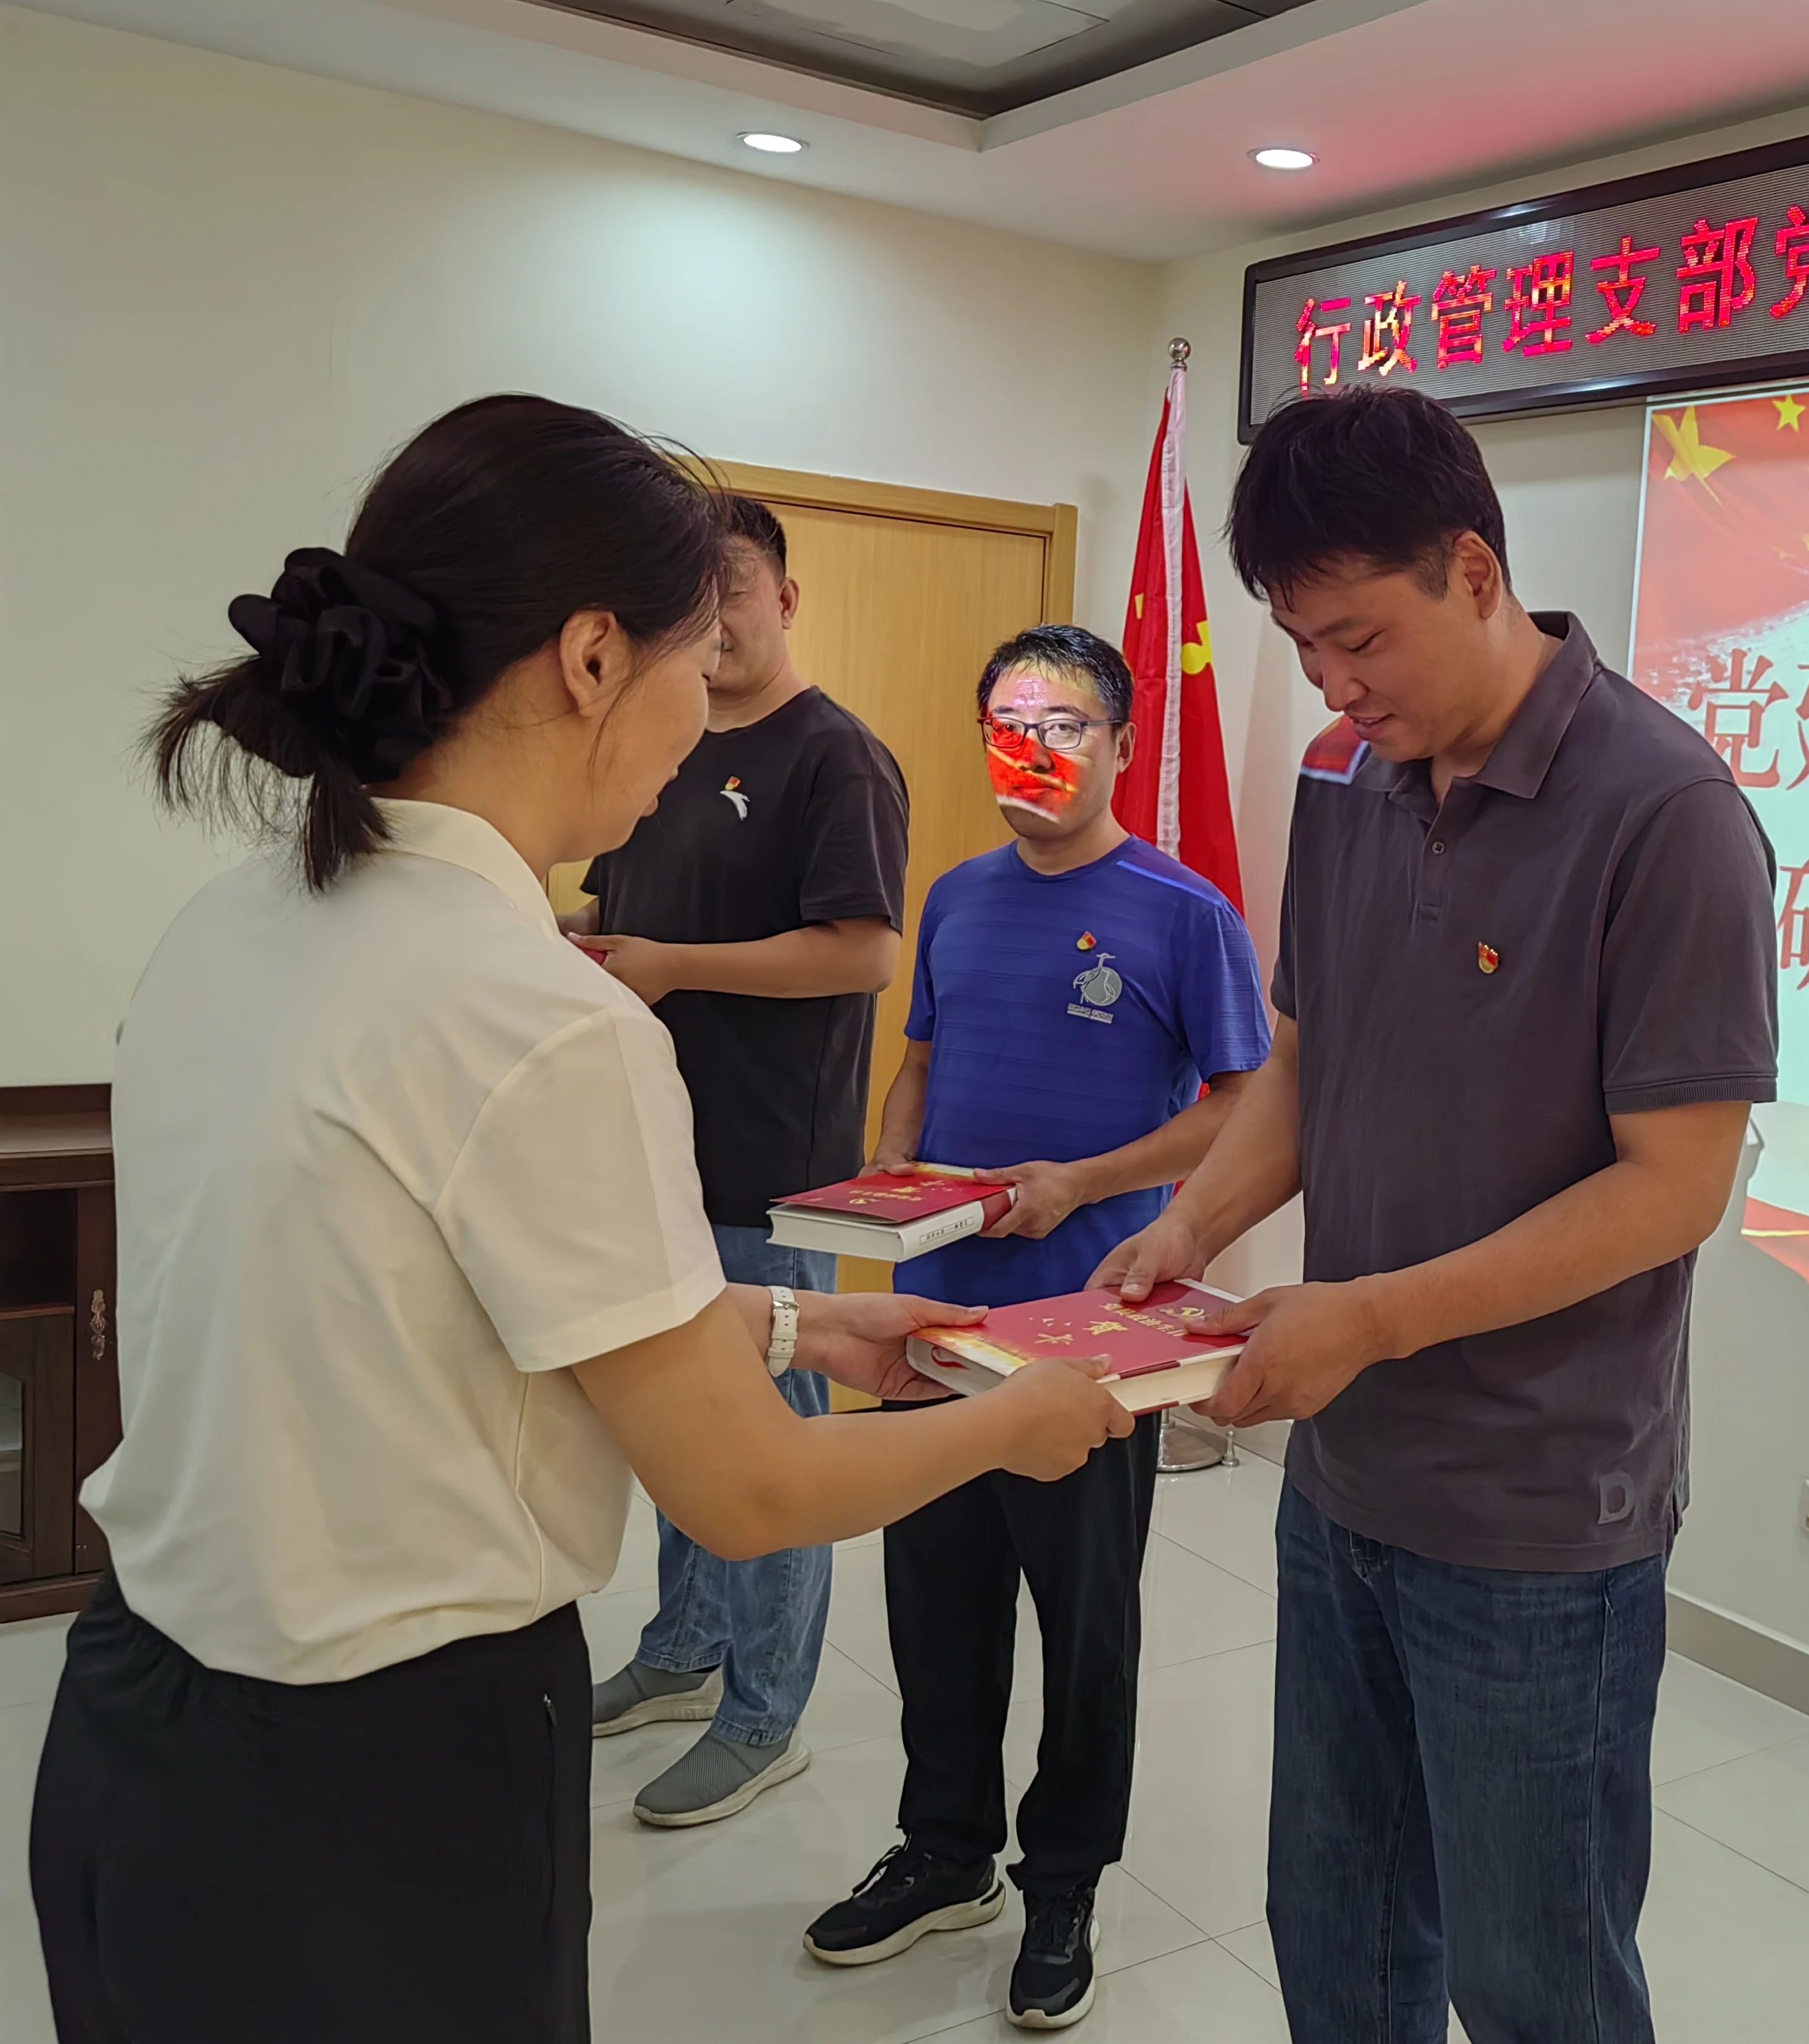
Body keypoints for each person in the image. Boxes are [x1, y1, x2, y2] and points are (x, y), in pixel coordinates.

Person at [30, 396, 1132, 2044]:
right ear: (595, 657)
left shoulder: (234, 922)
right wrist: (1017, 1423)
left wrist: (796, 1322)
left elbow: (409, 1298)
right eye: (697, 653)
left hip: (132, 1729)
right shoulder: (537, 1012)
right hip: (378, 1787)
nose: (707, 706)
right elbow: (747, 1492)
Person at [1096, 386, 1778, 2043]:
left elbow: (1674, 1186)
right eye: (1302, 648)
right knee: (1338, 1928)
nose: (1334, 686)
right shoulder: (1347, 776)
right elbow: (1303, 1061)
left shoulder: (1665, 814)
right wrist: (1191, 1228)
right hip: (1344, 1479)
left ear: (1474, 571)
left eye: (1358, 640)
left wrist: (1377, 1317)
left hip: (1538, 1513)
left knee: (1534, 1977)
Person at [802, 624, 1271, 2029]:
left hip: (1090, 1338)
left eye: (1066, 725)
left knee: (1085, 1627)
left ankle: (1062, 1882)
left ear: (1120, 743)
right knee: (935, 1609)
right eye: (1013, 725)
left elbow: (1239, 1111)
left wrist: (1082, 1183)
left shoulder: (1183, 911)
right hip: (936, 1329)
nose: (1039, 750)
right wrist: (893, 1176)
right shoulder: (955, 897)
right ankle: (945, 1851)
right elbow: (919, 1065)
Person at [562, 495, 910, 1827]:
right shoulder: (654, 742)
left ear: (787, 599)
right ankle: (682, 1650)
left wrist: (671, 968)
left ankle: (766, 1715)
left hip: (776, 1167)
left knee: (770, 1441)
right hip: (653, 1153)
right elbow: (613, 906)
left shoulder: (837, 759)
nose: (716, 625)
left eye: (738, 593)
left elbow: (863, 952)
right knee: (676, 1423)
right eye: (693, 602)